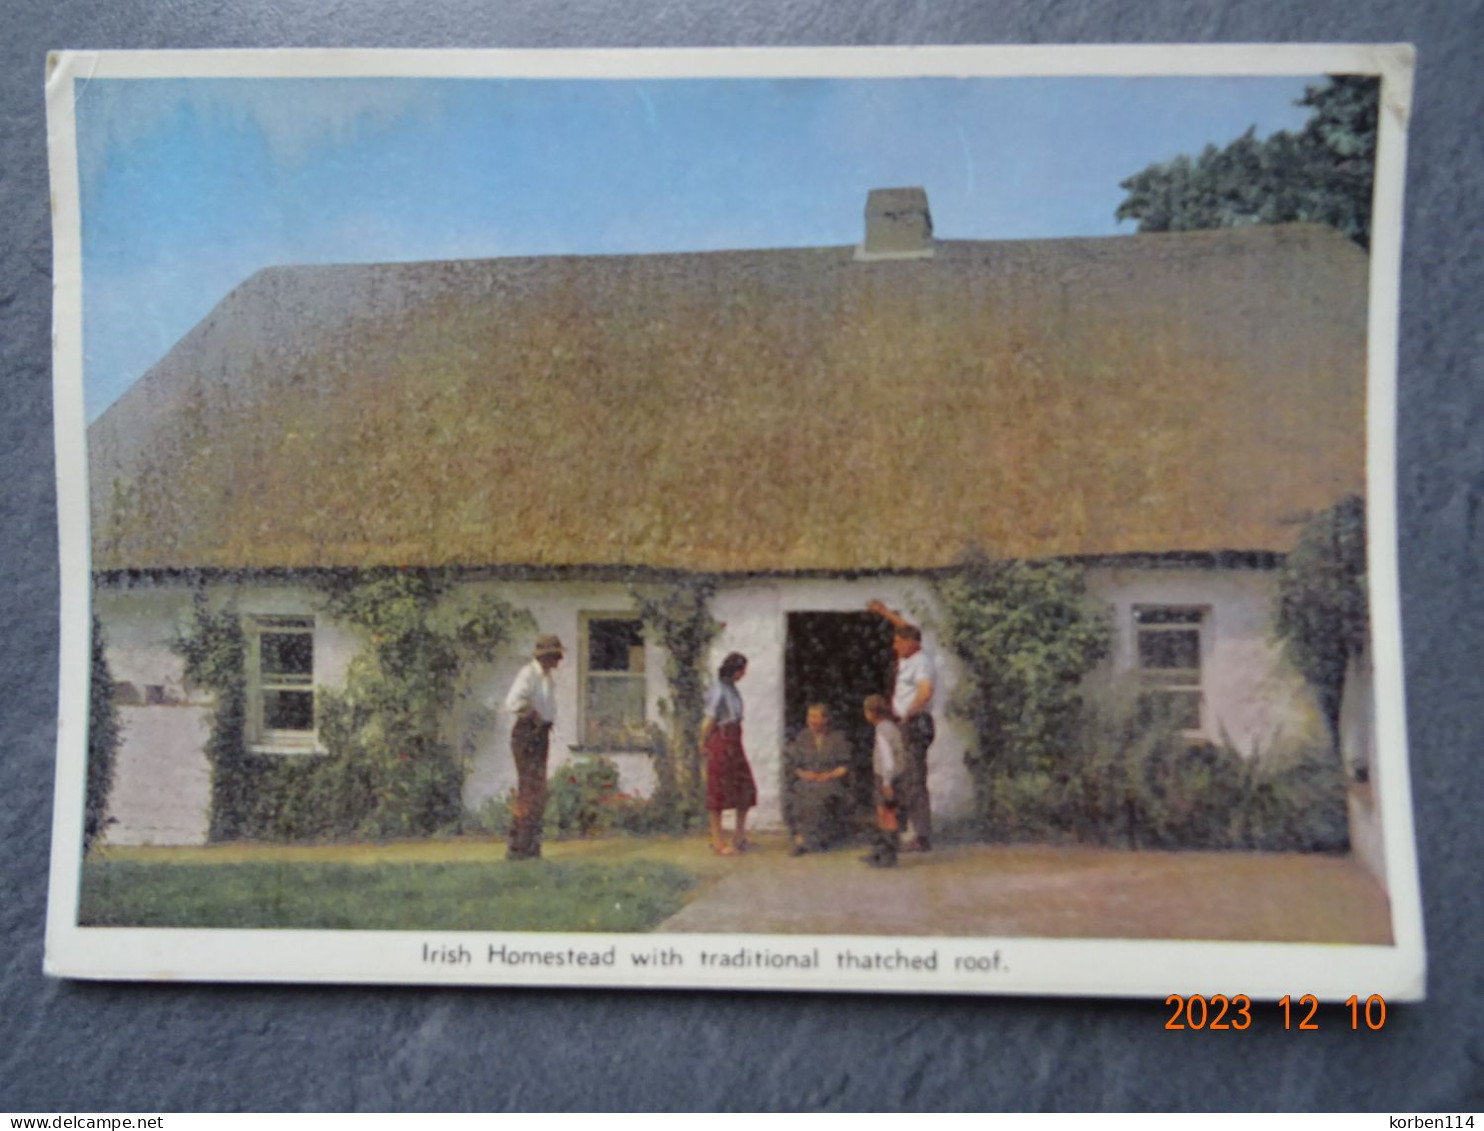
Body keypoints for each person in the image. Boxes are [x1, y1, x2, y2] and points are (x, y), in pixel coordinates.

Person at [867, 599, 936, 852]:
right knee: (902, 776)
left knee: (913, 779)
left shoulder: (921, 663)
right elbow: (909, 629)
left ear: (910, 644)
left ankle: (921, 836)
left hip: (914, 724)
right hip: (906, 723)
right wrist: (885, 613)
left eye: (898, 642)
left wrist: (908, 714)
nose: (894, 645)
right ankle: (904, 830)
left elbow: (926, 691)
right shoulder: (914, 653)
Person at [502, 634, 564, 860]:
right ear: (547, 656)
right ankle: (518, 848)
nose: (559, 661)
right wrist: (533, 714)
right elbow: (512, 702)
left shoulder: (547, 678)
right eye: (556, 656)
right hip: (527, 733)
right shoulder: (529, 674)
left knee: (537, 791)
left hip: (541, 734)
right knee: (528, 790)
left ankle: (531, 847)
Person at [699, 651, 757, 855]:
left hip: (735, 742)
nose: (744, 674)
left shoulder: (733, 689)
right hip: (721, 741)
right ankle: (717, 841)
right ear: (735, 670)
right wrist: (702, 743)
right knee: (718, 792)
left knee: (745, 788)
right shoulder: (718, 690)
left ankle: (739, 836)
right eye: (742, 670)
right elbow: (710, 720)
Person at [783, 702, 852, 855]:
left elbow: (845, 766)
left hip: (830, 780)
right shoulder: (803, 737)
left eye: (816, 717)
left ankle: (815, 839)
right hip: (807, 780)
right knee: (801, 796)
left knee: (820, 796)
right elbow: (794, 765)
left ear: (825, 719)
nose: (812, 721)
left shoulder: (837, 738)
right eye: (810, 717)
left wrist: (829, 775)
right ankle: (801, 839)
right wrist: (805, 774)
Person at [862, 693, 906, 868]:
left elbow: (887, 758)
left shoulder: (882, 730)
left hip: (886, 777)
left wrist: (887, 782)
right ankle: (881, 851)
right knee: (883, 812)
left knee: (887, 813)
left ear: (872, 712)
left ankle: (889, 854)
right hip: (889, 775)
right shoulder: (889, 727)